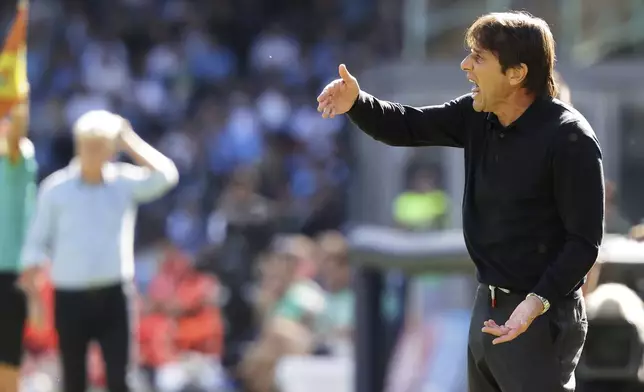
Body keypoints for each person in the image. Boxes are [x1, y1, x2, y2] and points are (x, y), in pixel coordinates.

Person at [317, 11, 604, 392]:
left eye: (479, 58)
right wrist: (357, 101)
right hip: (488, 304)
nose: (465, 66)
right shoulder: (477, 115)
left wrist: (535, 303)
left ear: (516, 73)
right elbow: (408, 124)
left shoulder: (571, 138)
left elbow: (584, 243)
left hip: (540, 315)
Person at [20, 110, 179, 392]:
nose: (92, 152)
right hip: (70, 297)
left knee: (120, 378)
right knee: (74, 379)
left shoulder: (123, 184)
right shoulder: (56, 190)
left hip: (115, 294)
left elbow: (166, 176)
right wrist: (34, 297)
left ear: (110, 150)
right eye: (87, 145)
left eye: (100, 145)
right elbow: (35, 244)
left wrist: (129, 140)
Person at [0, 101, 34, 392]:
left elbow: (17, 134)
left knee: (7, 363)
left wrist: (17, 93)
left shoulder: (16, 155)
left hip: (7, 275)